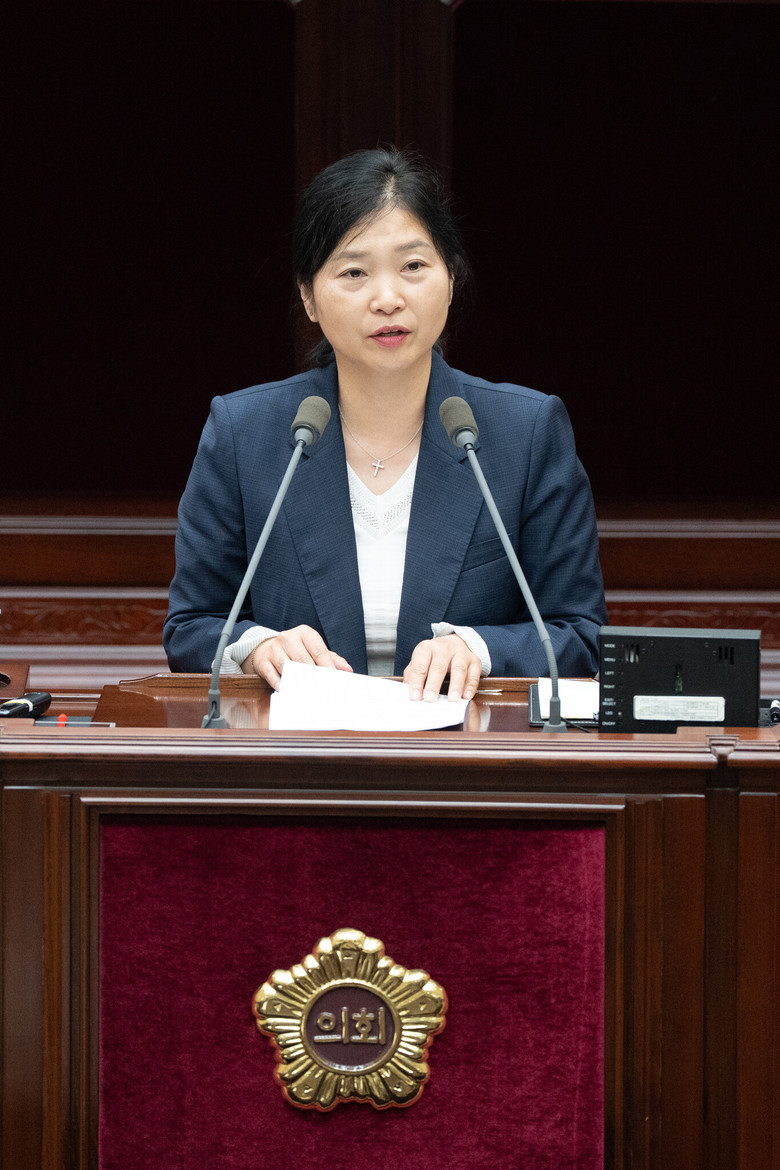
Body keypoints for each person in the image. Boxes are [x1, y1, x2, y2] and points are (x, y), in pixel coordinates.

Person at [163, 148, 606, 702]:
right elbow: (192, 625)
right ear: (308, 296)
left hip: (464, 746)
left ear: (451, 277)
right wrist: (255, 646)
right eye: (354, 272)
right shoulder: (244, 432)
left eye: (413, 266)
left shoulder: (527, 432)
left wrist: (479, 647)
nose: (388, 299)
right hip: (301, 749)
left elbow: (580, 634)